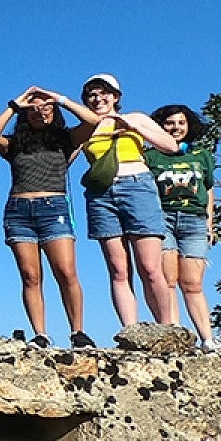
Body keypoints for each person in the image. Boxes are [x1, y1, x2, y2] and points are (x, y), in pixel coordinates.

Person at [0, 86, 99, 348]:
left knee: (66, 272)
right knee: (30, 275)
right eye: (34, 108)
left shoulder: (65, 139)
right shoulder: (15, 144)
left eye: (46, 107)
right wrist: (15, 105)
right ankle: (40, 333)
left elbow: (93, 121)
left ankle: (78, 331)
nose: (40, 111)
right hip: (19, 211)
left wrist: (58, 98)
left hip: (54, 207)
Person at [71, 74, 177, 327]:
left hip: (137, 186)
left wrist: (130, 126)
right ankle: (130, 330)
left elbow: (170, 146)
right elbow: (63, 159)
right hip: (101, 195)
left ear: (116, 97)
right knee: (118, 270)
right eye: (91, 95)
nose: (97, 99)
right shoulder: (88, 127)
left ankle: (168, 327)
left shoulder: (136, 117)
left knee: (150, 267)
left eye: (103, 93)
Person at [146, 104, 221, 350]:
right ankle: (177, 336)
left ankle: (207, 339)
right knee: (168, 279)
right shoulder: (150, 156)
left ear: (189, 126)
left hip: (195, 220)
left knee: (192, 283)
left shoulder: (202, 155)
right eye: (169, 123)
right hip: (163, 219)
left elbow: (209, 189)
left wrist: (210, 223)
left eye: (180, 123)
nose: (175, 127)